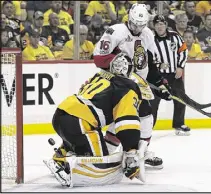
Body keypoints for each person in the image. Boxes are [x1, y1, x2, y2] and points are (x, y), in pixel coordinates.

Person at [44, 53, 148, 187]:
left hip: (60, 114)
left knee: (79, 140)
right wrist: (131, 150)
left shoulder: (99, 77)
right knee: (100, 163)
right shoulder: (127, 88)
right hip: (80, 122)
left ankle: (61, 155)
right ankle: (70, 166)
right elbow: (127, 121)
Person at [93, 3, 172, 167]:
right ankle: (104, 150)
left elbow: (148, 61)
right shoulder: (115, 32)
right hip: (116, 83)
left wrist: (160, 83)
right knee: (122, 118)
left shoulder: (148, 34)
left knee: (145, 117)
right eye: (135, 24)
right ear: (129, 19)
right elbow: (99, 58)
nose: (137, 28)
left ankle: (141, 152)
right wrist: (119, 62)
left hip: (138, 85)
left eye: (141, 25)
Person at [148, 15, 190, 136]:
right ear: (154, 26)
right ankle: (149, 126)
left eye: (162, 24)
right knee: (153, 103)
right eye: (157, 24)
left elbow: (183, 50)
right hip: (157, 76)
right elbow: (148, 57)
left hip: (175, 75)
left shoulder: (175, 36)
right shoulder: (150, 39)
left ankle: (179, 123)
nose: (159, 26)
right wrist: (158, 64)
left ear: (166, 25)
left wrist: (180, 66)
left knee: (180, 99)